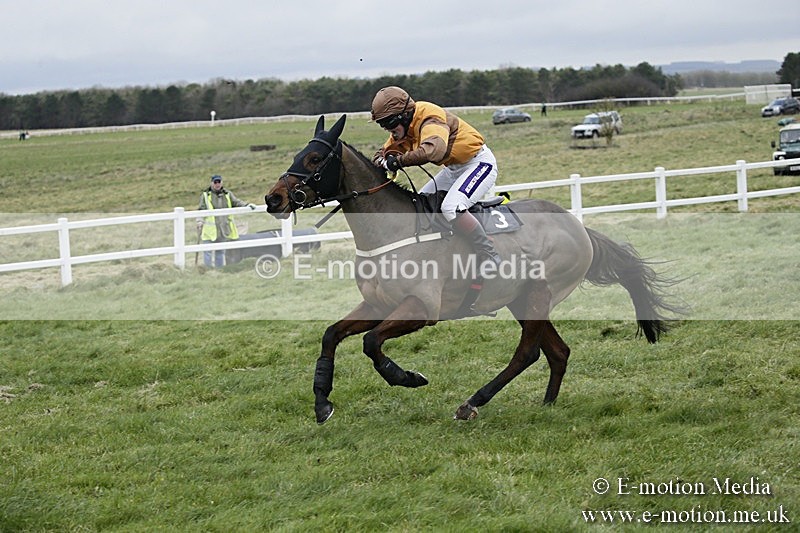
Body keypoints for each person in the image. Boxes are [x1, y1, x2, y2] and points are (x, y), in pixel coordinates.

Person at [370, 86, 500, 266]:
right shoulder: (405, 126)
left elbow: (433, 151)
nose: (387, 128)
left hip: (479, 164)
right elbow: (381, 154)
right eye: (381, 124)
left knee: (451, 208)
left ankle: (489, 254)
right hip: (452, 169)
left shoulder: (429, 116)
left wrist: (397, 162)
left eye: (389, 123)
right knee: (421, 205)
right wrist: (384, 160)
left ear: (404, 115)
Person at [197, 175, 256, 268]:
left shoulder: (227, 194)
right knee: (207, 251)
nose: (217, 184)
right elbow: (201, 209)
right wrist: (199, 221)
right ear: (211, 183)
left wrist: (247, 205)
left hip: (223, 229)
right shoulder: (205, 195)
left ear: (221, 183)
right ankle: (208, 270)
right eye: (215, 182)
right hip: (210, 231)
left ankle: (219, 270)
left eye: (219, 182)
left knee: (220, 251)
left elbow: (236, 202)